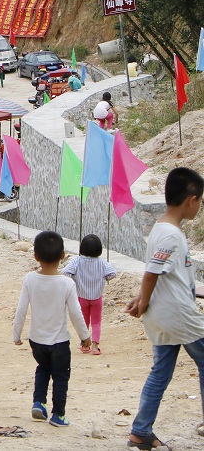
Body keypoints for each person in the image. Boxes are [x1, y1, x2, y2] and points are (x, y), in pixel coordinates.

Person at [124, 167, 204, 450]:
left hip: (165, 315)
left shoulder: (161, 228)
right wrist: (142, 301)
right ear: (191, 200)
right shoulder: (171, 235)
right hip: (178, 316)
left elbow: (158, 273)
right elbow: (151, 274)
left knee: (161, 372)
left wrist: (140, 297)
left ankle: (140, 430)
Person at [12, 230, 91, 428]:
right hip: (59, 342)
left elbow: (21, 309)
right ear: (63, 255)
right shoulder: (67, 283)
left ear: (35, 256)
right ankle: (58, 415)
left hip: (37, 340)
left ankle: (39, 402)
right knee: (61, 377)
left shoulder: (30, 279)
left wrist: (16, 334)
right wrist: (85, 336)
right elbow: (75, 313)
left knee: (43, 368)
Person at [61, 234, 116, 356]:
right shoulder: (102, 263)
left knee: (84, 320)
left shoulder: (77, 261)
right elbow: (112, 273)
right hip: (97, 297)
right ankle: (95, 346)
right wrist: (104, 278)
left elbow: (65, 272)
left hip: (81, 297)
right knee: (96, 322)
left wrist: (74, 280)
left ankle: (84, 345)